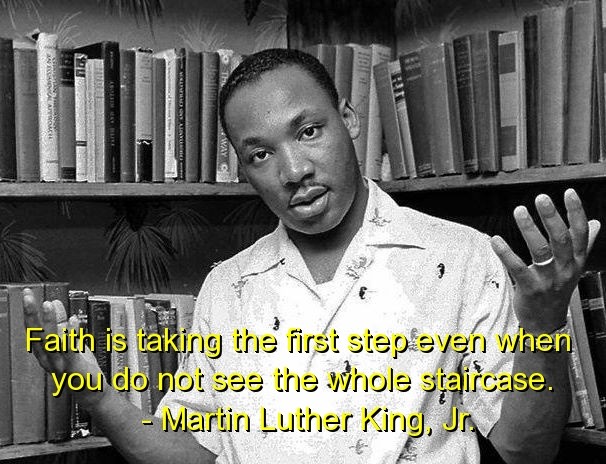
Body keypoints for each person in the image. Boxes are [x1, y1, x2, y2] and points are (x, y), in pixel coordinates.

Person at [23, 48, 601, 464]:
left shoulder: (462, 257)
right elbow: (196, 451)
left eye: (307, 132)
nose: (294, 171)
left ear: (348, 120)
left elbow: (526, 450)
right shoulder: (229, 287)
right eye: (260, 154)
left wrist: (544, 328)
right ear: (243, 170)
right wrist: (97, 397)